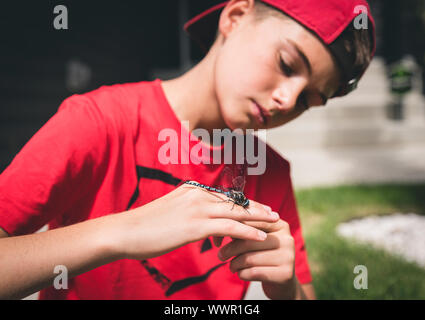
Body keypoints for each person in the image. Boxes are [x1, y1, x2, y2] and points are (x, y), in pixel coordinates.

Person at [0, 0, 375, 300]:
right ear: (236, 16)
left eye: (308, 101)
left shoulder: (270, 173)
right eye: (286, 63)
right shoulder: (100, 121)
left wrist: (287, 287)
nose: (287, 99)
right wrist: (119, 233)